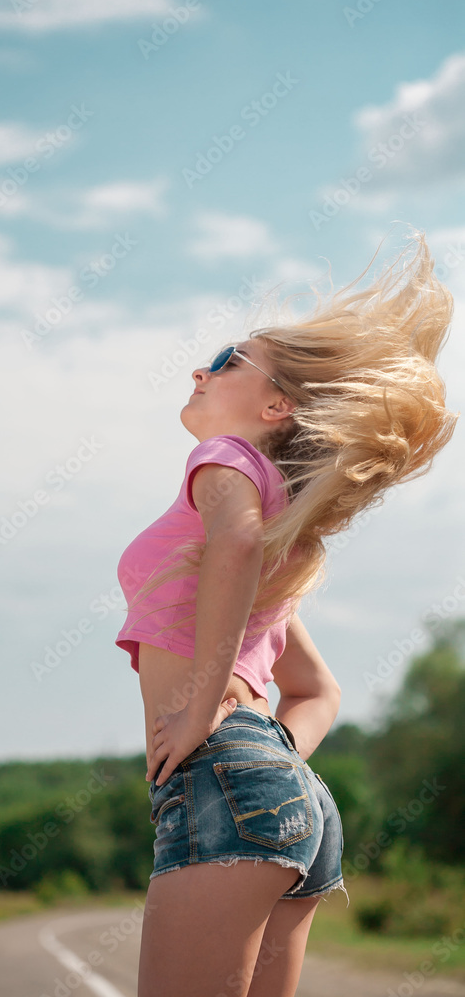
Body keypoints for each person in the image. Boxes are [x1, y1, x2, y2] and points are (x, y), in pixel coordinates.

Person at [114, 226, 459, 997]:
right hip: (286, 796)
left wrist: (204, 713)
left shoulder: (225, 461)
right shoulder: (277, 538)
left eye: (229, 359)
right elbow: (316, 691)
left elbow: (233, 542)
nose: (200, 369)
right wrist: (270, 766)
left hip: (230, 778)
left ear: (275, 406)